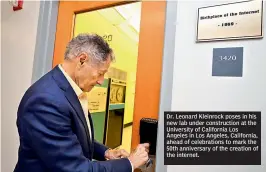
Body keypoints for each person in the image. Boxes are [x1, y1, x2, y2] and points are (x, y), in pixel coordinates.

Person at [14, 33, 149, 172]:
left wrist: (106, 152)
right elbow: (76, 169)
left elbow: (74, 137)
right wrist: (130, 163)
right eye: (100, 73)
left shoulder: (70, 91)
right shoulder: (46, 100)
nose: (101, 81)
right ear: (82, 60)